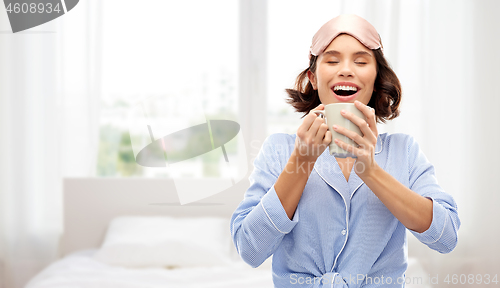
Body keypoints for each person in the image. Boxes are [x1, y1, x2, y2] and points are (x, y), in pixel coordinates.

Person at [230, 14, 460, 288]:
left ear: (376, 78)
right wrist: (302, 161)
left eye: (361, 61)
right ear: (313, 78)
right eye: (332, 60)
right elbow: (250, 249)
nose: (346, 70)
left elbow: (446, 237)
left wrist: (371, 171)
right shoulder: (280, 150)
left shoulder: (404, 151)